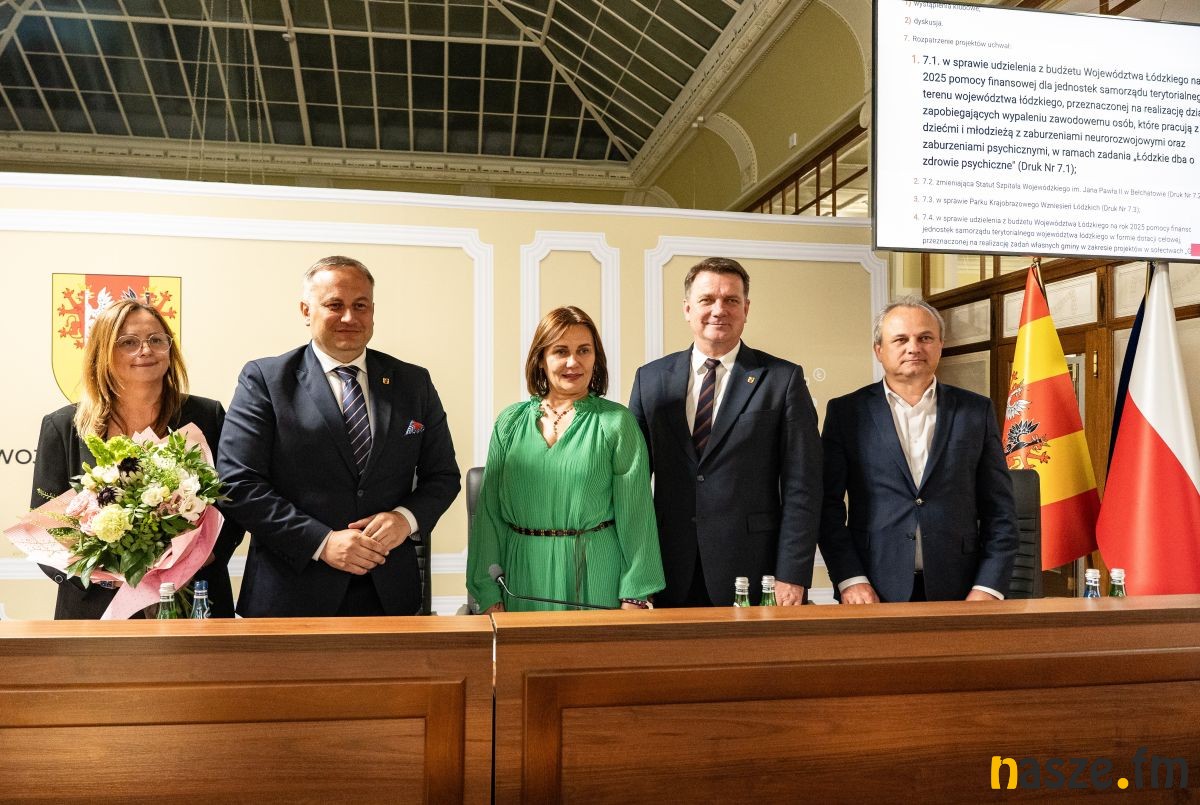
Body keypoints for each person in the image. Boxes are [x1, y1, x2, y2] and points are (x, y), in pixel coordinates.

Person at [218, 256, 460, 617]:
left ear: (373, 311)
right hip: (292, 595)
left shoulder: (414, 383)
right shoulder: (265, 380)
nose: (349, 317)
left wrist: (404, 518)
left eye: (360, 305)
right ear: (306, 310)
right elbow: (238, 483)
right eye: (335, 305)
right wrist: (322, 542)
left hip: (389, 593)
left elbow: (443, 476)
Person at [31, 298, 243, 619]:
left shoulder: (206, 415)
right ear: (103, 352)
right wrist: (107, 575)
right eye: (128, 342)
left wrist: (195, 561)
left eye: (156, 340)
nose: (145, 350)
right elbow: (46, 528)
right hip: (96, 609)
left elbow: (234, 503)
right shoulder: (63, 426)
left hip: (193, 599)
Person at [629, 257, 822, 607]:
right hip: (666, 569)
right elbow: (632, 485)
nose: (719, 310)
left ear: (746, 309)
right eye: (707, 300)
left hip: (753, 570)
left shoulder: (782, 379)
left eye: (731, 300)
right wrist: (634, 575)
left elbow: (803, 486)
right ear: (687, 309)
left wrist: (792, 574)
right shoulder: (650, 380)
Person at [818, 297, 1018, 603]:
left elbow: (1000, 510)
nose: (913, 348)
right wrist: (850, 579)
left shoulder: (976, 411)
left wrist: (988, 587)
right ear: (879, 350)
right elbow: (827, 506)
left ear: (940, 346)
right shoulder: (847, 413)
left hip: (962, 589)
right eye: (900, 339)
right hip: (872, 589)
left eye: (925, 338)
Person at [467, 306, 664, 612]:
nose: (574, 362)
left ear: (595, 358)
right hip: (522, 576)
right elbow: (490, 516)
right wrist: (488, 592)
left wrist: (635, 595)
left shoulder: (616, 423)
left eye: (584, 350)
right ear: (541, 359)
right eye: (561, 351)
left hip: (597, 575)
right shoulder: (509, 423)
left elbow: (637, 517)